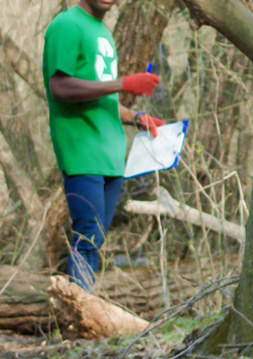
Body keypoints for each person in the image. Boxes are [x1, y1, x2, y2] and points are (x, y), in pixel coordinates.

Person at [43, 0, 165, 291]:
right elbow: (59, 87)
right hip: (81, 148)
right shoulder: (66, 25)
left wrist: (136, 117)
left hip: (110, 153)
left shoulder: (103, 33)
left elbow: (103, 97)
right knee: (86, 235)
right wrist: (123, 83)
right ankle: (78, 317)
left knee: (96, 238)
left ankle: (83, 307)